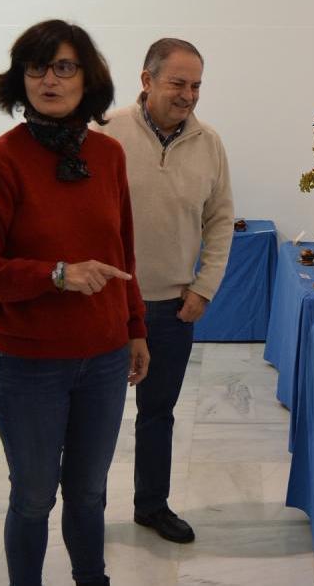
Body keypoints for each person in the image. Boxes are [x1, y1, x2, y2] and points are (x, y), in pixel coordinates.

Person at [0, 20, 150, 586]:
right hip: (30, 367)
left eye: (64, 67)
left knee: (89, 493)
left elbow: (124, 252)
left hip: (106, 359)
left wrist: (135, 327)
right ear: (19, 79)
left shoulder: (110, 156)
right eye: (36, 67)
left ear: (86, 78)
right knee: (35, 497)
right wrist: (55, 275)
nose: (48, 79)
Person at [98, 38, 234, 544]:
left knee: (158, 414)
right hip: (108, 307)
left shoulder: (209, 143)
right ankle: (88, 509)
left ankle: (152, 506)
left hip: (173, 308)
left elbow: (220, 220)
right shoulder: (104, 132)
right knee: (97, 419)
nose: (189, 95)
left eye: (197, 85)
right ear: (146, 79)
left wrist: (204, 288)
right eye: (178, 83)